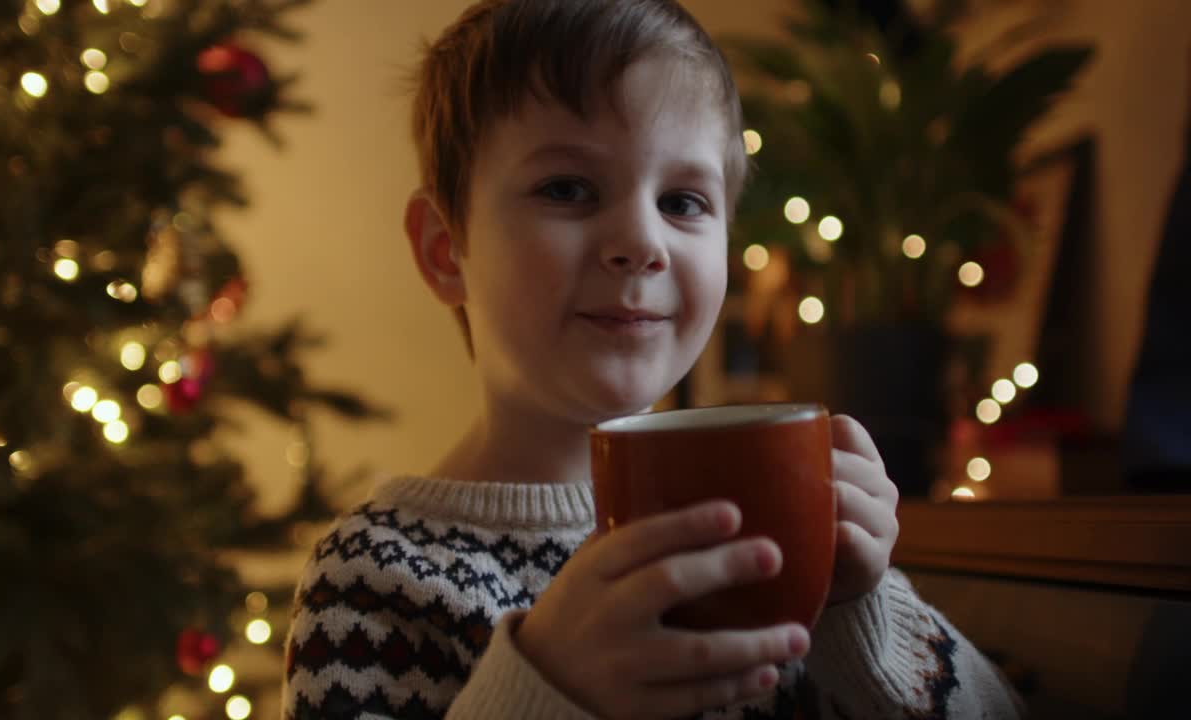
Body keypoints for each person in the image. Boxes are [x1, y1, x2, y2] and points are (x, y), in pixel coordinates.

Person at [283, 1, 1023, 717]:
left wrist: (863, 610)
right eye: (567, 189)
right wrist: (546, 691)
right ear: (446, 250)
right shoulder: (370, 582)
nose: (643, 241)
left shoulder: (770, 532)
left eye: (683, 202)